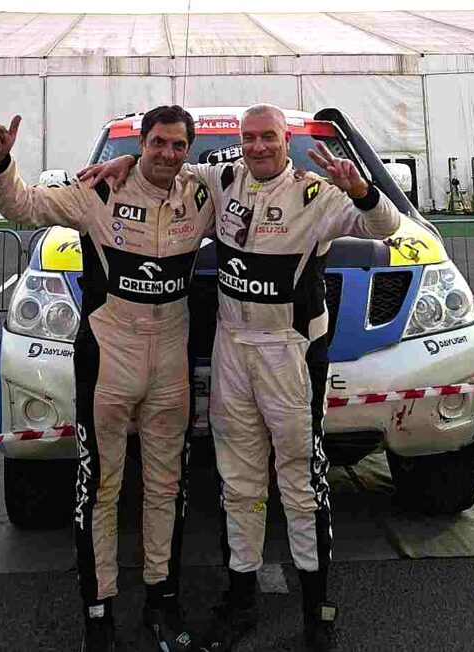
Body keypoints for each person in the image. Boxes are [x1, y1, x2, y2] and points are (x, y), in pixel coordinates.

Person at [79, 103, 402, 652]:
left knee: (300, 481)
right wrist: (127, 161)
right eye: (249, 138)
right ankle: (240, 599)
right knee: (239, 481)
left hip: (288, 353)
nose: (258, 147)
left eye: (268, 137)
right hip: (231, 348)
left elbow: (386, 227)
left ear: (286, 140)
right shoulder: (221, 180)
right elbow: (168, 165)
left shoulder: (317, 195)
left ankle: (316, 612)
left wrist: (363, 191)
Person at [0, 105, 216, 652]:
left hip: (171, 366)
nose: (168, 154)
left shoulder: (201, 193)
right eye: (157, 143)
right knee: (100, 489)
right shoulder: (98, 191)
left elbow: (251, 167)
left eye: (178, 146)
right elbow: (24, 205)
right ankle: (99, 613)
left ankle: (161, 602)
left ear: (188, 151)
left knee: (166, 488)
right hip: (109, 359)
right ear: (142, 142)